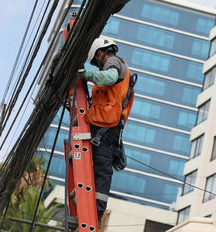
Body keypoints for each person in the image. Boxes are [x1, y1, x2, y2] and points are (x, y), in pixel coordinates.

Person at [78, 37, 134, 227]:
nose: (97, 66)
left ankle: (95, 214)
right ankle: (90, 211)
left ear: (101, 53)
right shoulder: (114, 66)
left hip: (105, 132)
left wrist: (86, 75)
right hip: (102, 130)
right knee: (96, 173)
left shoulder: (113, 61)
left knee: (102, 173)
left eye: (95, 61)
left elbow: (109, 77)